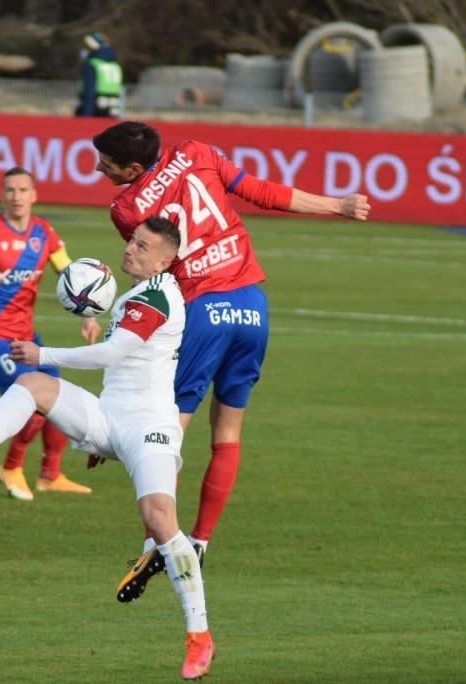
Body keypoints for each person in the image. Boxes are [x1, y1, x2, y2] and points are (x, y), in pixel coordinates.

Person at [0, 216, 215, 680]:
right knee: (33, 385)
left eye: (142, 245)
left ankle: (199, 635)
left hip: (149, 427)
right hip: (109, 415)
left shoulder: (157, 294)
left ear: (165, 259)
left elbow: (110, 355)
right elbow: (121, 365)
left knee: (160, 521)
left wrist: (46, 353)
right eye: (133, 240)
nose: (131, 249)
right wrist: (98, 432)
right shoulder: (139, 290)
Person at [91, 121, 371, 600]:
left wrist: (111, 414)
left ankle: (159, 541)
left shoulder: (126, 208)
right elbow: (262, 193)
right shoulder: (198, 151)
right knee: (228, 433)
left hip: (203, 310)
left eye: (107, 164)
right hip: (252, 306)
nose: (99, 169)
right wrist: (337, 206)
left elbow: (156, 279)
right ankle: (199, 541)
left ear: (133, 168)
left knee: (166, 430)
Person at [0, 166, 100, 501]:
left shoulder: (44, 232)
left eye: (23, 190)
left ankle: (50, 475)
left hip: (25, 338)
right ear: (1, 195)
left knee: (57, 395)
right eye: (10, 190)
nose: (16, 196)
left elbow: (71, 276)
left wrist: (89, 315)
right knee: (34, 401)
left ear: (34, 195)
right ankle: (10, 467)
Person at [75, 32, 123, 118]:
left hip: (95, 113)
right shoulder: (115, 66)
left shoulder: (92, 65)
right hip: (111, 113)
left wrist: (84, 118)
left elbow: (89, 94)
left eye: (88, 47)